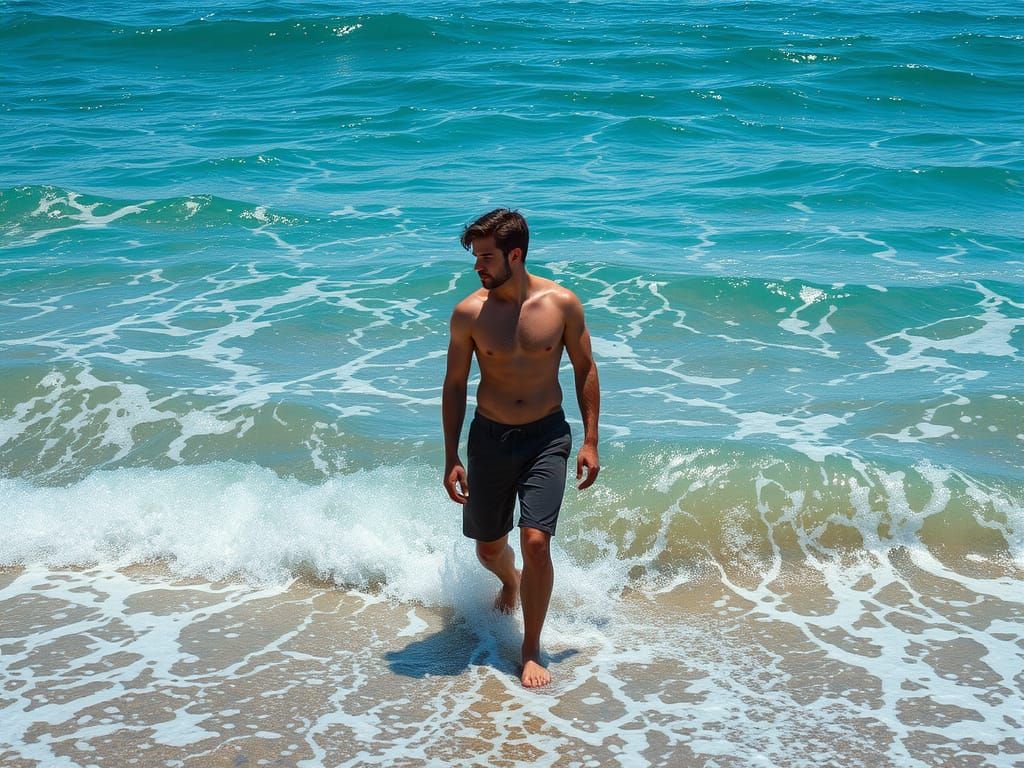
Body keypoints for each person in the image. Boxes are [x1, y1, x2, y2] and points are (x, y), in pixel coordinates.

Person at [442, 208, 600, 689]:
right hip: (489, 438)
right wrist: (451, 456)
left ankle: (531, 647)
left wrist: (590, 439)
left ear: (515, 254)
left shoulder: (562, 305)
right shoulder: (469, 313)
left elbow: (586, 368)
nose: (477, 267)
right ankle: (509, 582)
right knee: (489, 550)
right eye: (475, 257)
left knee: (536, 540)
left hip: (546, 437)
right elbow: (453, 386)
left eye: (486, 257)